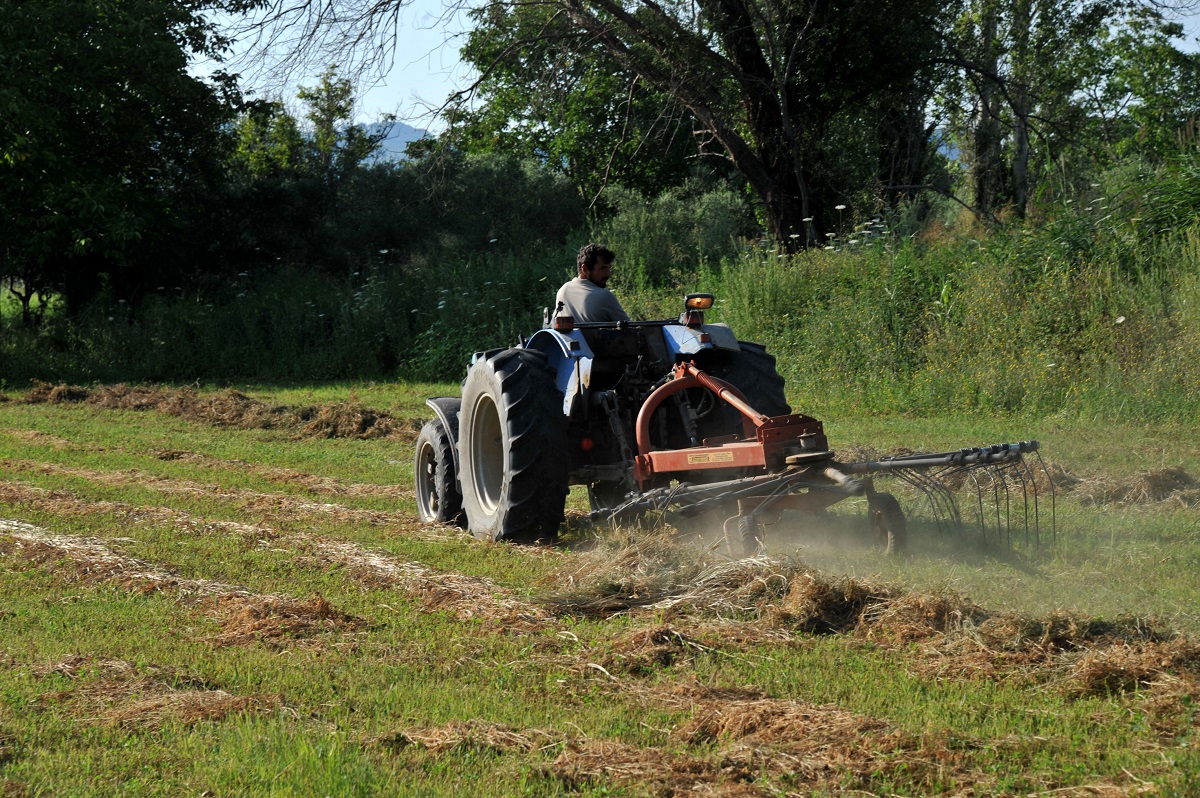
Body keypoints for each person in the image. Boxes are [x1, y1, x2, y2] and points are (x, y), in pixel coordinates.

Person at [554, 243, 630, 323]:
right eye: (602, 268)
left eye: (609, 268)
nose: (608, 274)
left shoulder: (563, 290)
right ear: (585, 269)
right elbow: (633, 331)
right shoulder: (605, 296)